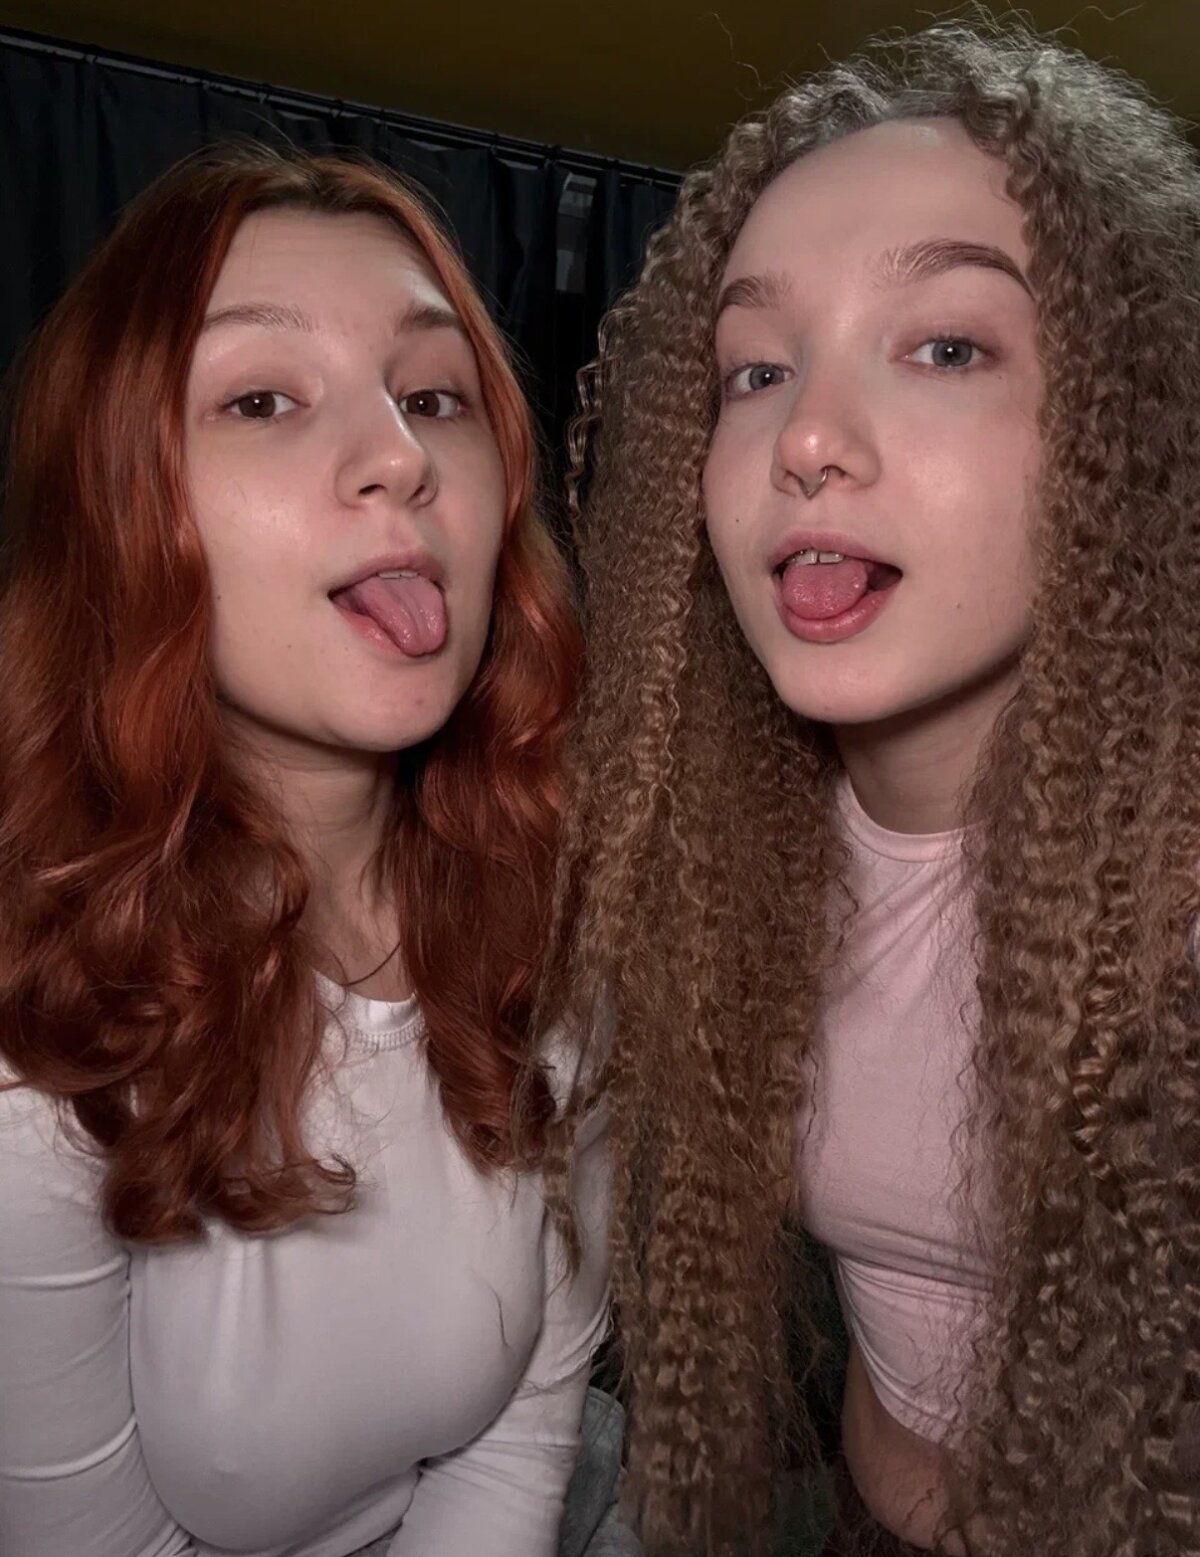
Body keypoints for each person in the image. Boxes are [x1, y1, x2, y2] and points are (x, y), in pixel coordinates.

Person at [549, 15, 1200, 1557]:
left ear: (1132, 423)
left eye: (947, 347)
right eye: (756, 368)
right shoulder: (697, 842)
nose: (808, 439)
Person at [0, 144, 611, 1557]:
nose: (402, 455)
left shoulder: (559, 914)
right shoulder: (37, 1051)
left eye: (435, 395)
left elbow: (528, 1427)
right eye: (263, 398)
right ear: (117, 511)